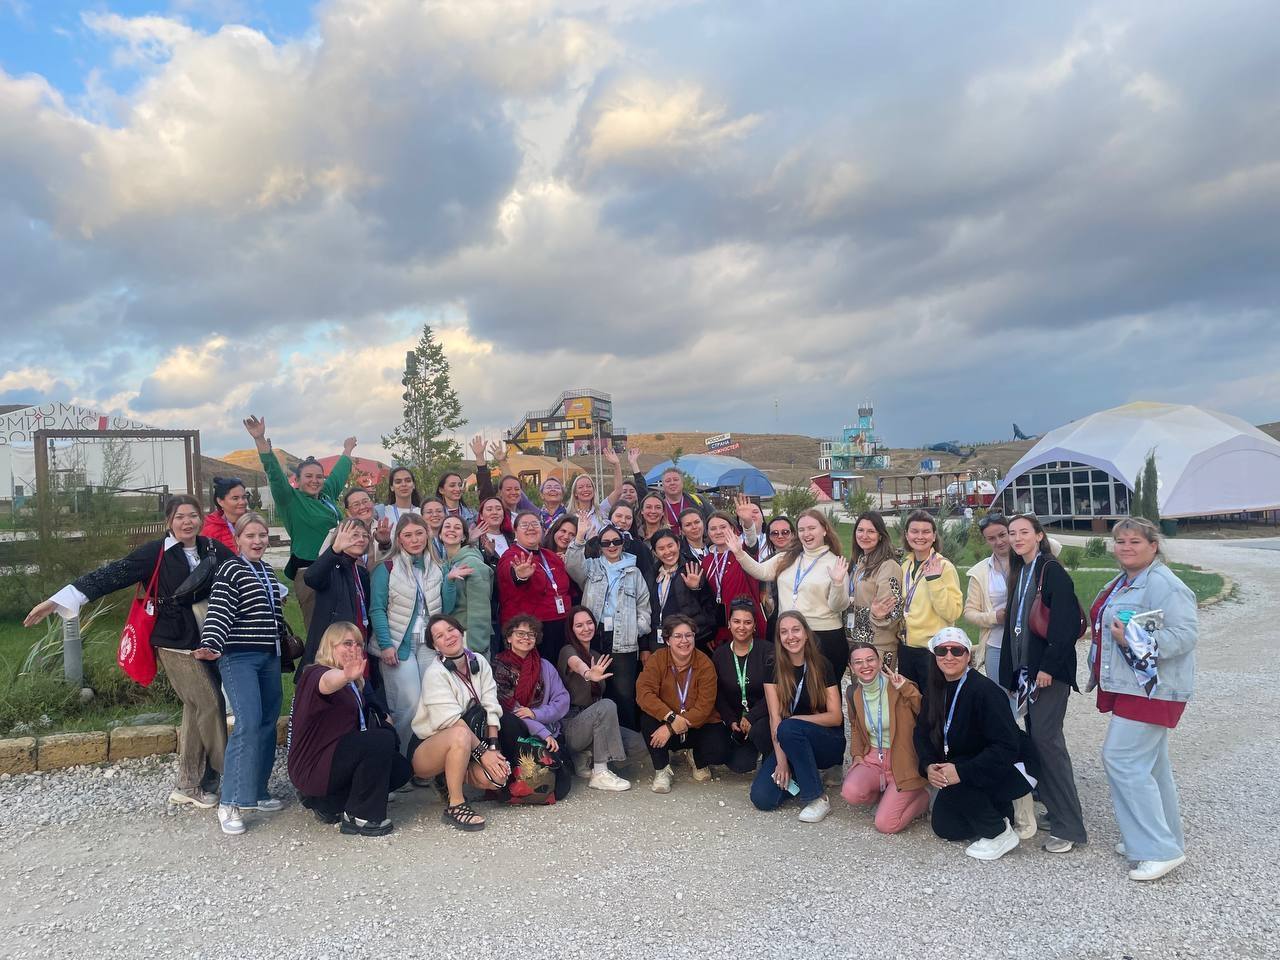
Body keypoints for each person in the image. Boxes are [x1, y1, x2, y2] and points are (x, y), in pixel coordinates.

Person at [24, 495, 235, 809]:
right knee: (210, 702)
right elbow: (111, 575)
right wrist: (59, 599)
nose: (187, 522)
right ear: (168, 521)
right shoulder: (155, 553)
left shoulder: (212, 548)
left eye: (192, 515)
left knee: (195, 708)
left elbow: (240, 574)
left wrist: (274, 590)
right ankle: (231, 775)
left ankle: (189, 783)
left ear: (200, 519)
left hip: (209, 638)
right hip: (173, 641)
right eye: (180, 516)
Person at [1089, 518, 1198, 882]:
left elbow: (1185, 635)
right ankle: (1163, 838)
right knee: (1152, 767)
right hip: (1133, 686)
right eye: (1120, 541)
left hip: (1153, 688)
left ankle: (1157, 850)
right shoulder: (1124, 581)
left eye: (1134, 541)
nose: (1125, 547)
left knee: (1121, 759)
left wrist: (1135, 640)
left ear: (1153, 545)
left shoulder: (1165, 584)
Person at [1000, 513, 1088, 854]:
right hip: (1028, 674)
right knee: (1038, 740)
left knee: (1048, 743)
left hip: (1046, 675)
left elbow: (1065, 626)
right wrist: (1011, 674)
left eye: (1024, 532)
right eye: (1012, 533)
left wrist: (1048, 667)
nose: (1017, 538)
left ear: (1039, 535)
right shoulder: (1022, 571)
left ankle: (1070, 826)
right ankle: (1055, 808)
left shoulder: (1051, 571)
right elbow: (1014, 627)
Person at [195, 512, 287, 836]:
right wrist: (211, 643)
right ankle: (230, 801)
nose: (258, 541)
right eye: (251, 535)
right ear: (237, 539)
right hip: (239, 657)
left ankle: (257, 790)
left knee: (267, 723)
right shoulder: (231, 569)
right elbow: (220, 610)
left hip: (269, 656)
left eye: (262, 535)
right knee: (248, 723)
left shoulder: (266, 570)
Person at [914, 628, 1034, 861]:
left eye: (957, 651)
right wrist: (928, 766)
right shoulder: (935, 689)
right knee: (945, 827)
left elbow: (1007, 747)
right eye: (942, 651)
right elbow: (921, 733)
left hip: (1012, 766)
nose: (949, 656)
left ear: (968, 655)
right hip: (970, 762)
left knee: (953, 776)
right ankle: (1000, 811)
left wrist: (962, 771)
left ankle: (999, 833)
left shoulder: (985, 691)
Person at [288, 622, 411, 836]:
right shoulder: (316, 673)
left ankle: (328, 803)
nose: (354, 649)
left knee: (399, 768)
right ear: (330, 646)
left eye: (358, 644)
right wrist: (345, 675)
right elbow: (326, 683)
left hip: (337, 757)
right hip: (313, 763)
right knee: (379, 740)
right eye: (347, 643)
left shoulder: (353, 684)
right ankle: (359, 816)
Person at [243, 414, 354, 632]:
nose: (315, 481)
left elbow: (339, 474)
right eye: (309, 476)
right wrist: (260, 439)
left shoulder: (326, 496)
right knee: (318, 629)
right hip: (310, 571)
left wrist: (347, 450)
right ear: (297, 480)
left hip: (336, 567)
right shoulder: (290, 499)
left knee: (341, 628)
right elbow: (274, 474)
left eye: (319, 477)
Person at [410, 615, 510, 831]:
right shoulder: (435, 673)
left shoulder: (479, 661)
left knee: (497, 779)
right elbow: (452, 722)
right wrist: (484, 754)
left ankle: (446, 779)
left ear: (460, 631)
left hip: (468, 742)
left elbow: (491, 705)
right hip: (428, 747)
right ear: (435, 646)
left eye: (450, 629)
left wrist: (493, 748)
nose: (448, 636)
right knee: (460, 734)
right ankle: (456, 805)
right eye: (439, 636)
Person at [728, 508, 850, 681]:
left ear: (825, 530)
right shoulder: (787, 557)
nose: (806, 534)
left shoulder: (835, 563)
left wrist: (837, 583)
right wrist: (739, 553)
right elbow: (761, 571)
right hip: (789, 633)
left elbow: (838, 606)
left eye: (812, 528)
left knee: (825, 691)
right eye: (802, 529)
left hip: (823, 636)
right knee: (791, 688)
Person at [749, 612, 845, 822]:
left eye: (796, 630)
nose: (790, 636)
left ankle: (818, 798)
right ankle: (802, 775)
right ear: (779, 638)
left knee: (788, 727)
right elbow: (775, 718)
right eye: (784, 632)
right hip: (790, 742)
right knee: (762, 798)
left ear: (806, 634)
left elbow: (836, 717)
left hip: (826, 741)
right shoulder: (772, 666)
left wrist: (796, 720)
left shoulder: (822, 665)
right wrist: (781, 762)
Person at [369, 513, 447, 754]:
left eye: (419, 533)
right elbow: (377, 609)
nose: (415, 540)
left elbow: (445, 606)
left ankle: (426, 758)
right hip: (398, 644)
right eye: (408, 535)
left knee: (430, 701)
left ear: (427, 534)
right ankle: (402, 758)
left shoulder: (437, 566)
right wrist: (386, 645)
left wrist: (452, 583)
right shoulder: (387, 568)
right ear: (399, 539)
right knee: (409, 704)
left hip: (428, 643)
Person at [565, 522, 652, 730]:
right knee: (597, 688)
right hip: (594, 635)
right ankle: (599, 736)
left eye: (616, 541)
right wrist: (580, 537)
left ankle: (628, 738)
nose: (611, 546)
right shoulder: (592, 566)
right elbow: (572, 565)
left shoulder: (634, 572)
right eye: (606, 543)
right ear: (600, 546)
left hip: (624, 638)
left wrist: (635, 630)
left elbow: (644, 606)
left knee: (624, 693)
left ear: (623, 543)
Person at [839, 642, 929, 834]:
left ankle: (923, 799)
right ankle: (889, 796)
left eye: (870, 660)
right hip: (874, 758)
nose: (865, 666)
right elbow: (855, 726)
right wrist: (857, 754)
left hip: (903, 759)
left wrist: (906, 688)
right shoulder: (854, 693)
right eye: (858, 662)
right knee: (850, 792)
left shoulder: (899, 685)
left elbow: (927, 714)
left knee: (886, 824)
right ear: (851, 667)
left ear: (880, 662)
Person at [557, 606, 647, 790]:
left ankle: (588, 756)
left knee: (640, 745)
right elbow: (577, 664)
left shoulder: (597, 657)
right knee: (606, 705)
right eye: (579, 625)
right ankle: (600, 772)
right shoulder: (567, 651)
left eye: (589, 623)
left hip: (597, 723)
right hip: (573, 725)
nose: (586, 628)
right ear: (571, 630)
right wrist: (588, 673)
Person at [636, 614, 728, 792]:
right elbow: (644, 693)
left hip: (695, 725)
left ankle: (697, 757)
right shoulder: (657, 659)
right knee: (647, 719)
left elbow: (704, 707)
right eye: (677, 636)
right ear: (667, 640)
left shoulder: (705, 663)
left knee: (719, 747)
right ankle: (662, 769)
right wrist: (671, 718)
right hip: (666, 719)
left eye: (689, 635)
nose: (684, 641)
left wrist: (671, 728)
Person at [492, 615, 574, 802]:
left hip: (546, 729)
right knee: (508, 720)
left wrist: (537, 714)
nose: (526, 638)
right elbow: (510, 709)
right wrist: (542, 732)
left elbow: (562, 699)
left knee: (560, 788)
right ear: (509, 637)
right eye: (520, 633)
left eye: (531, 634)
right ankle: (510, 779)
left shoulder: (544, 666)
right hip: (516, 734)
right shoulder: (498, 666)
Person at [297, 518, 373, 680]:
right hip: (334, 650)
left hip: (359, 644)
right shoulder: (331, 568)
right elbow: (311, 577)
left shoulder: (361, 573)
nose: (361, 539)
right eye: (354, 535)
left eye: (365, 535)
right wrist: (335, 550)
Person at [897, 510, 963, 690]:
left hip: (932, 651)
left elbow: (953, 612)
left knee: (933, 703)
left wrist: (934, 581)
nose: (920, 536)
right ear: (907, 535)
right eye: (914, 531)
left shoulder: (944, 567)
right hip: (906, 647)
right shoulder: (905, 566)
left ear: (934, 536)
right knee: (910, 702)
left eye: (926, 532)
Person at [496, 510, 573, 663]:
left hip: (560, 626)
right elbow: (509, 573)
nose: (530, 528)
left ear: (542, 529)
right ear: (515, 531)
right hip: (531, 631)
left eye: (535, 524)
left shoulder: (550, 556)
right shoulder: (511, 555)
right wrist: (520, 576)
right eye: (525, 525)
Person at [712, 599, 775, 773]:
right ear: (729, 624)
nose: (741, 627)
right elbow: (718, 694)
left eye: (747, 622)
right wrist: (730, 719)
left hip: (763, 716)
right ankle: (752, 749)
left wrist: (753, 717)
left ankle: (771, 758)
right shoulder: (720, 655)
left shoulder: (768, 651)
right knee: (740, 765)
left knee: (761, 732)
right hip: (737, 719)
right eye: (736, 621)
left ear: (754, 626)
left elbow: (776, 692)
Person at [702, 512, 767, 650]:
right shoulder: (706, 561)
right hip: (721, 627)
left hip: (748, 623)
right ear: (707, 532)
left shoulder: (742, 551)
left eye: (723, 527)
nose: (718, 532)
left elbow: (751, 541)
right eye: (713, 529)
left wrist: (748, 522)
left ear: (732, 528)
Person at [964, 514, 1012, 693]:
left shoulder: (1029, 559)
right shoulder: (980, 572)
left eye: (1002, 534)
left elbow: (1054, 546)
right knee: (1000, 697)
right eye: (991, 538)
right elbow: (969, 612)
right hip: (996, 645)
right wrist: (995, 617)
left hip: (1028, 643)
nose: (999, 542)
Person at [846, 511, 903, 663]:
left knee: (880, 680)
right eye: (860, 530)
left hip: (879, 645)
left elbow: (892, 610)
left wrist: (878, 615)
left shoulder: (888, 566)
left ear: (880, 536)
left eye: (871, 531)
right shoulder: (860, 562)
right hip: (858, 642)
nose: (864, 536)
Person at [651, 530, 717, 651]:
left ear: (678, 545)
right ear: (655, 552)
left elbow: (708, 603)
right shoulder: (652, 573)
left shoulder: (691, 568)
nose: (667, 552)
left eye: (670, 546)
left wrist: (695, 588)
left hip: (690, 639)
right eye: (661, 548)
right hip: (660, 640)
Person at [439, 515, 491, 656]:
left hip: (469, 638)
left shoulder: (472, 563)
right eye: (447, 526)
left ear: (463, 537)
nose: (451, 530)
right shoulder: (445, 564)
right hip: (451, 635)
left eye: (457, 527)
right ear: (440, 535)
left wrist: (477, 647)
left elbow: (481, 609)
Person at [320, 487, 385, 566]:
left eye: (365, 501)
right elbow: (322, 563)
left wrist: (385, 543)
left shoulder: (385, 530)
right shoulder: (337, 533)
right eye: (356, 505)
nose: (362, 507)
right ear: (348, 512)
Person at [201, 476, 249, 551]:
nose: (242, 502)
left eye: (244, 497)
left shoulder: (252, 523)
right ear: (220, 501)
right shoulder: (210, 530)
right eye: (235, 498)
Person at [375, 466, 422, 535]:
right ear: (392, 487)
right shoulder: (382, 512)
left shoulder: (422, 512)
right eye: (398, 482)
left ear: (414, 485)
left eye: (408, 481)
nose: (404, 484)